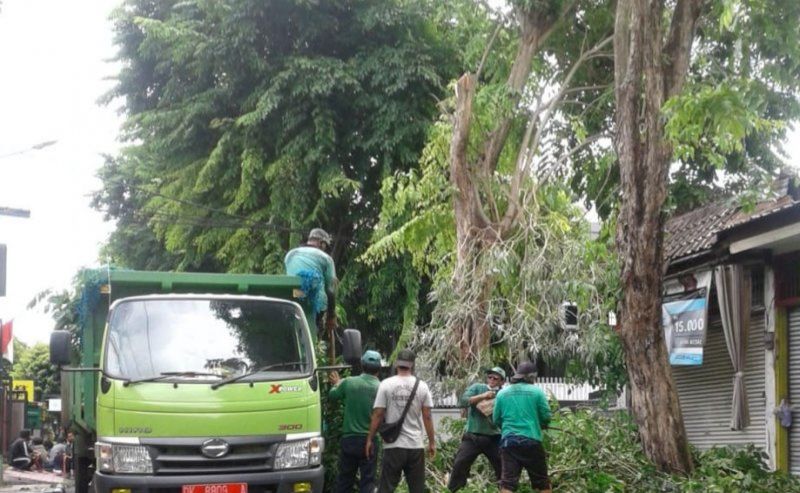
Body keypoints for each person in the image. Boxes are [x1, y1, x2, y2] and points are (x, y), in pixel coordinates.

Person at [366, 349, 435, 493]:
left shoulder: (386, 384)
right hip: (415, 446)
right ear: (412, 365)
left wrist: (369, 439)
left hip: (393, 446)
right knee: (417, 489)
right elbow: (427, 416)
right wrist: (432, 442)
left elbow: (378, 414)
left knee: (386, 488)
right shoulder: (422, 386)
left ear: (397, 363)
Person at [492, 361, 552, 493]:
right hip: (532, 440)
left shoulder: (502, 393)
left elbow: (496, 419)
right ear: (532, 376)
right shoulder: (537, 392)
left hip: (509, 442)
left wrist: (507, 429)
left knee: (507, 483)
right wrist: (541, 425)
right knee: (542, 482)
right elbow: (546, 416)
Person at [329, 350, 383, 493]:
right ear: (379, 369)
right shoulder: (382, 388)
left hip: (349, 440)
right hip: (370, 441)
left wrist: (337, 383)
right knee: (368, 483)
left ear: (362, 365)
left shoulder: (349, 382)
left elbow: (332, 395)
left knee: (344, 482)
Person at [447, 367, 506, 492]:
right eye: (490, 377)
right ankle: (454, 490)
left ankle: (504, 489)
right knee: (459, 464)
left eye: (495, 378)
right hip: (473, 436)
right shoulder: (477, 388)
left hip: (494, 437)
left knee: (502, 467)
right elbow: (462, 401)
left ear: (502, 381)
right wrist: (483, 396)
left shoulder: (503, 394)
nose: (492, 380)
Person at [284, 228, 338, 335]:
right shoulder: (326, 258)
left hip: (294, 296)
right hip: (315, 300)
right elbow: (331, 291)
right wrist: (331, 316)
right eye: (325, 246)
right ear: (322, 244)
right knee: (316, 330)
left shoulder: (290, 254)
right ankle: (317, 333)